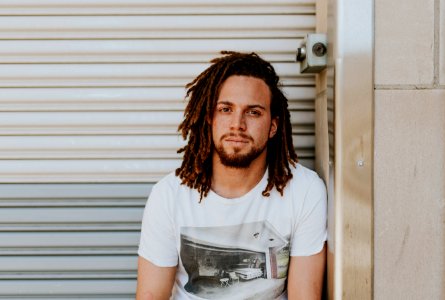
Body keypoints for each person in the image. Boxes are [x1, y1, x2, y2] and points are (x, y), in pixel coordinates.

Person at [136, 51, 327, 300]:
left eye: (253, 112)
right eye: (226, 109)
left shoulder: (304, 190)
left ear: (273, 126)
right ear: (210, 119)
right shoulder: (169, 194)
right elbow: (151, 296)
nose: (237, 124)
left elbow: (305, 296)